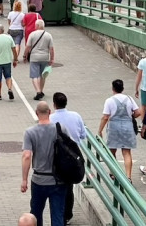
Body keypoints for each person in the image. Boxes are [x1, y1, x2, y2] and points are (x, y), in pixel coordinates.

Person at [21, 101, 68, 226]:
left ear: (36, 113)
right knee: (58, 215)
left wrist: (24, 180)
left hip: (38, 179)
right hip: (58, 180)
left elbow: (26, 156)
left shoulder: (30, 132)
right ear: (49, 112)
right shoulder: (61, 129)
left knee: (35, 215)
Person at [49, 92, 86, 225]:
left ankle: (59, 214)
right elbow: (83, 135)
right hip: (73, 157)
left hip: (56, 158)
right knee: (69, 187)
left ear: (54, 104)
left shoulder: (50, 119)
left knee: (58, 186)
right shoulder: (76, 116)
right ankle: (67, 214)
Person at [97, 79, 141, 179]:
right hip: (127, 127)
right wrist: (131, 116)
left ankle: (113, 173)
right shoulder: (129, 99)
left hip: (114, 128)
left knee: (112, 151)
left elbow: (105, 117)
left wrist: (100, 130)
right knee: (126, 152)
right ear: (123, 88)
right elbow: (138, 112)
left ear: (113, 89)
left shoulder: (109, 101)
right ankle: (128, 177)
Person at [23, 19, 54, 101]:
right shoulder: (48, 35)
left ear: (37, 26)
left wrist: (25, 56)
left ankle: (38, 91)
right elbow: (51, 49)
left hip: (34, 58)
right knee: (42, 75)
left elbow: (28, 47)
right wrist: (52, 59)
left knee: (34, 76)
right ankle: (41, 90)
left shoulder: (32, 34)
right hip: (45, 57)